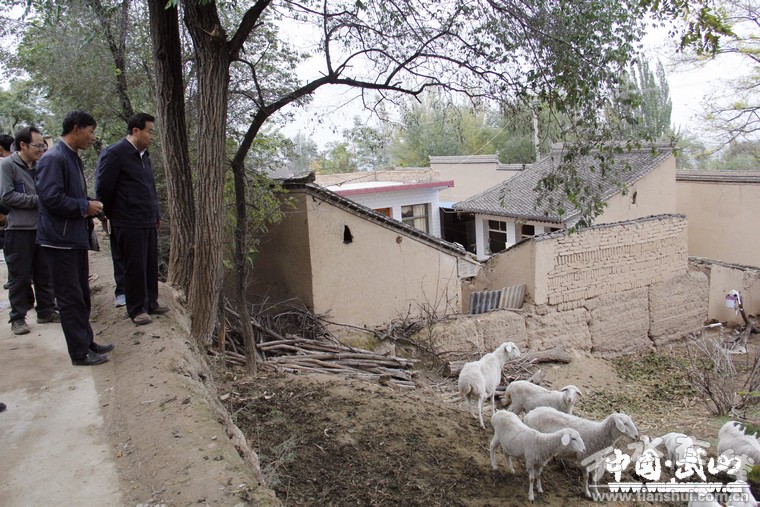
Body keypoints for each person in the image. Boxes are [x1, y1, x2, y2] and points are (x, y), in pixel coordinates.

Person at [36, 110, 113, 366]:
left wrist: (91, 205)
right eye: (90, 132)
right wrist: (84, 207)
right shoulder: (53, 158)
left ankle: (86, 341)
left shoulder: (71, 157)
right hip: (59, 241)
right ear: (76, 128)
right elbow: (50, 198)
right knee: (69, 298)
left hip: (74, 238)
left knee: (81, 294)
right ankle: (79, 353)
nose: (93, 137)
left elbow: (70, 194)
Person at [95, 112, 168, 326]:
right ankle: (137, 308)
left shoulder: (144, 155)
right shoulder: (115, 153)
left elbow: (150, 187)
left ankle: (151, 301)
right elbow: (103, 188)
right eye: (149, 132)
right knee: (134, 265)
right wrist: (108, 214)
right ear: (136, 131)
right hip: (127, 220)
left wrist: (155, 213)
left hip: (147, 218)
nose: (152, 136)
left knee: (149, 263)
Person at [0, 127, 59, 335]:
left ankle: (46, 310)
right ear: (23, 145)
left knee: (44, 272)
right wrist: (39, 201)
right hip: (18, 230)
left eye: (43, 145)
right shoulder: (7, 165)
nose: (41, 149)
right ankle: (17, 318)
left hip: (41, 228)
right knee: (20, 275)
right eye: (37, 145)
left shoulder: (40, 165)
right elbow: (7, 196)